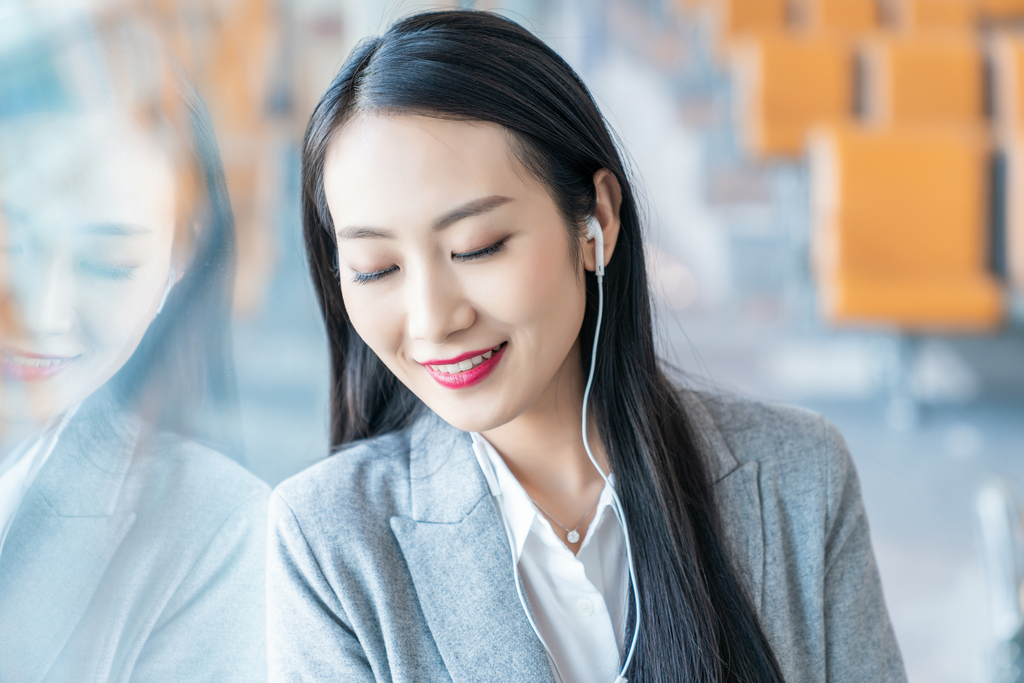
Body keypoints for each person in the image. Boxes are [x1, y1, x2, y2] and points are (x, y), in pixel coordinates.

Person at [268, 10, 906, 683]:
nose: (432, 319)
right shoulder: (328, 541)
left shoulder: (799, 480)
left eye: (476, 247)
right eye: (376, 269)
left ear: (595, 216)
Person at [0, 10, 267, 681]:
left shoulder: (215, 533)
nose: (42, 310)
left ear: (179, 260)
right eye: (6, 246)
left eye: (107, 264)